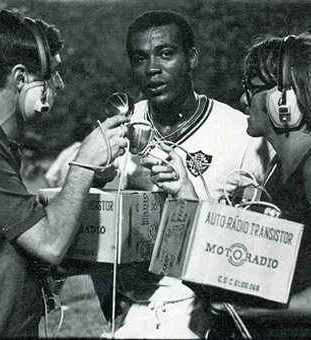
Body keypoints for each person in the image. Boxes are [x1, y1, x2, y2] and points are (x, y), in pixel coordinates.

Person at [143, 31, 311, 338]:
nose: (243, 99)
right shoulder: (279, 166)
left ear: (285, 100)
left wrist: (256, 310)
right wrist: (185, 191)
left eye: (252, 89)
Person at [0, 9, 129, 338]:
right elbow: (49, 243)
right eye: (53, 74)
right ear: (21, 80)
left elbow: (14, 251)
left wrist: (87, 183)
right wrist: (84, 162)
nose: (59, 84)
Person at [92, 10, 269, 338]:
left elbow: (258, 244)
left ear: (192, 58)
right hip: (130, 314)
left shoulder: (239, 134)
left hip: (203, 317)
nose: (152, 69)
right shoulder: (117, 129)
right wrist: (109, 295)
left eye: (166, 54)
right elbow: (92, 225)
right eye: (140, 58)